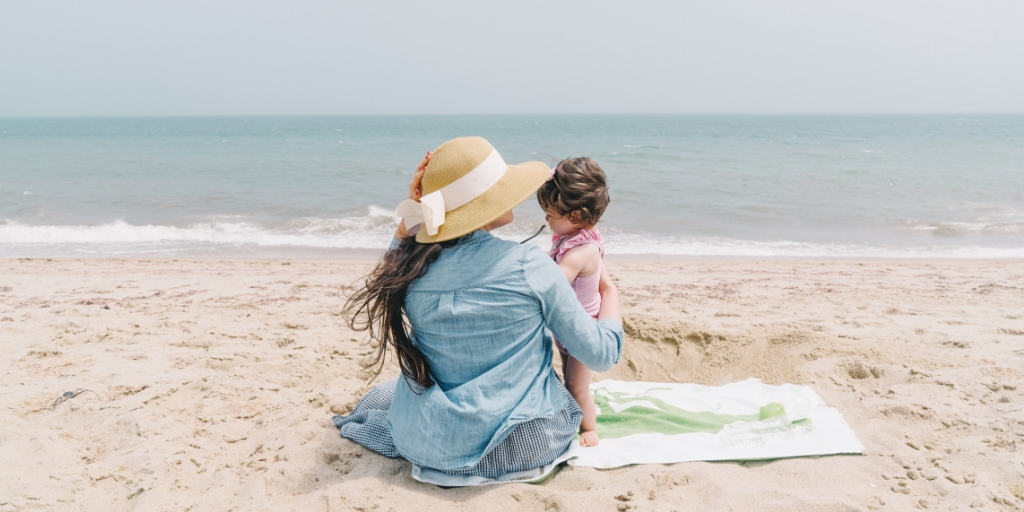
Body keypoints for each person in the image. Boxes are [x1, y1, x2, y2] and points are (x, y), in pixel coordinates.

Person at [333, 136, 623, 485]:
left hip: (428, 441)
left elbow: (391, 265)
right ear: (482, 204)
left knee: (389, 394)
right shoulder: (529, 266)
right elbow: (601, 353)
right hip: (520, 445)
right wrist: (610, 292)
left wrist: (411, 217)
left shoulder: (410, 269)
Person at [536, 157, 610, 447]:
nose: (546, 219)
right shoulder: (574, 237)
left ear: (577, 216)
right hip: (568, 329)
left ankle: (589, 427)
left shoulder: (580, 253)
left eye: (551, 214)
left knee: (576, 386)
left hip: (581, 332)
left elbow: (553, 282)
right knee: (569, 375)